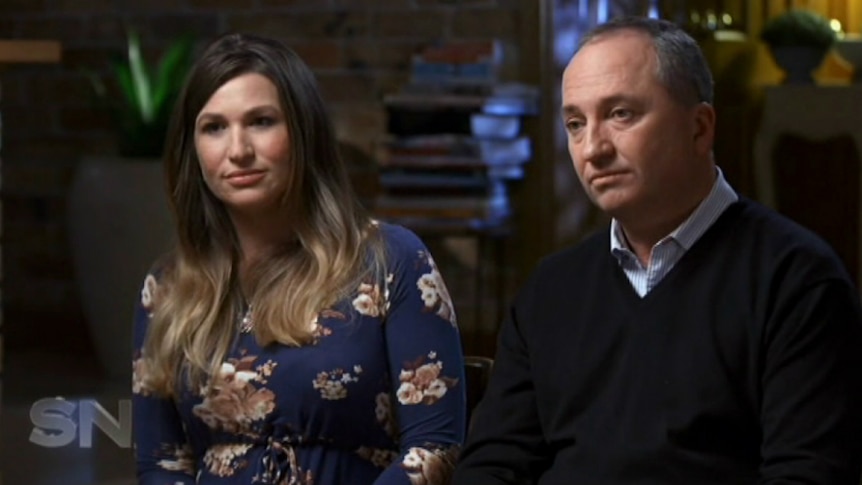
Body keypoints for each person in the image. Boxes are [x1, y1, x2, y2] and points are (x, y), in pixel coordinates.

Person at [453, 16, 862, 485]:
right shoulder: (549, 291)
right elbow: (491, 468)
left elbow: (808, 475)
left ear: (700, 127)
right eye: (575, 123)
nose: (593, 149)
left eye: (621, 114)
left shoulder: (796, 279)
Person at [131, 33, 466, 485]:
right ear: (193, 150)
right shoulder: (168, 286)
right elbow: (161, 463)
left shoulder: (391, 260)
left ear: (303, 132)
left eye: (261, 121)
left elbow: (434, 452)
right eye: (214, 127)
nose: (238, 150)